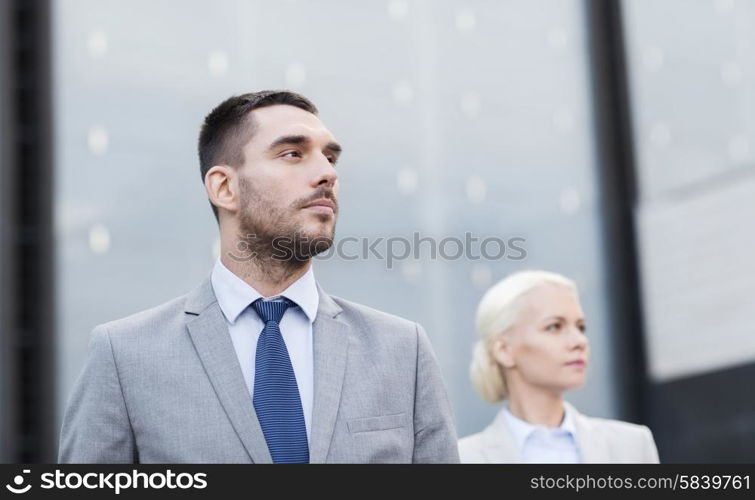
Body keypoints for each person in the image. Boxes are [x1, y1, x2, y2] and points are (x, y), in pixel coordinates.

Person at [59, 90, 459, 464]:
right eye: (292, 153)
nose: (326, 173)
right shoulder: (124, 355)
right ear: (224, 187)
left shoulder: (403, 351)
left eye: (331, 158)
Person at [458, 270, 659, 463]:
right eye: (554, 326)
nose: (579, 341)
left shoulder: (631, 445)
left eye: (581, 327)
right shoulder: (461, 459)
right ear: (504, 350)